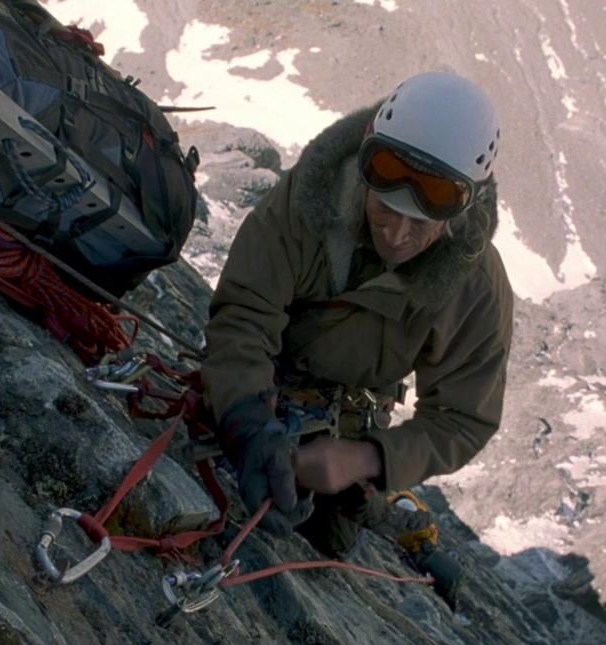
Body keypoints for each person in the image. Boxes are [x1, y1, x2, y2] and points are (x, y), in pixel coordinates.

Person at [201, 72, 513, 606]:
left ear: (462, 210)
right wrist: (249, 426)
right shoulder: (311, 200)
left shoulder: (474, 288)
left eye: (419, 224)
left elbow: (464, 418)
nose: (396, 236)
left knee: (322, 541)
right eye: (385, 209)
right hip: (266, 375)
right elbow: (245, 316)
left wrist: (364, 458)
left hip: (348, 420)